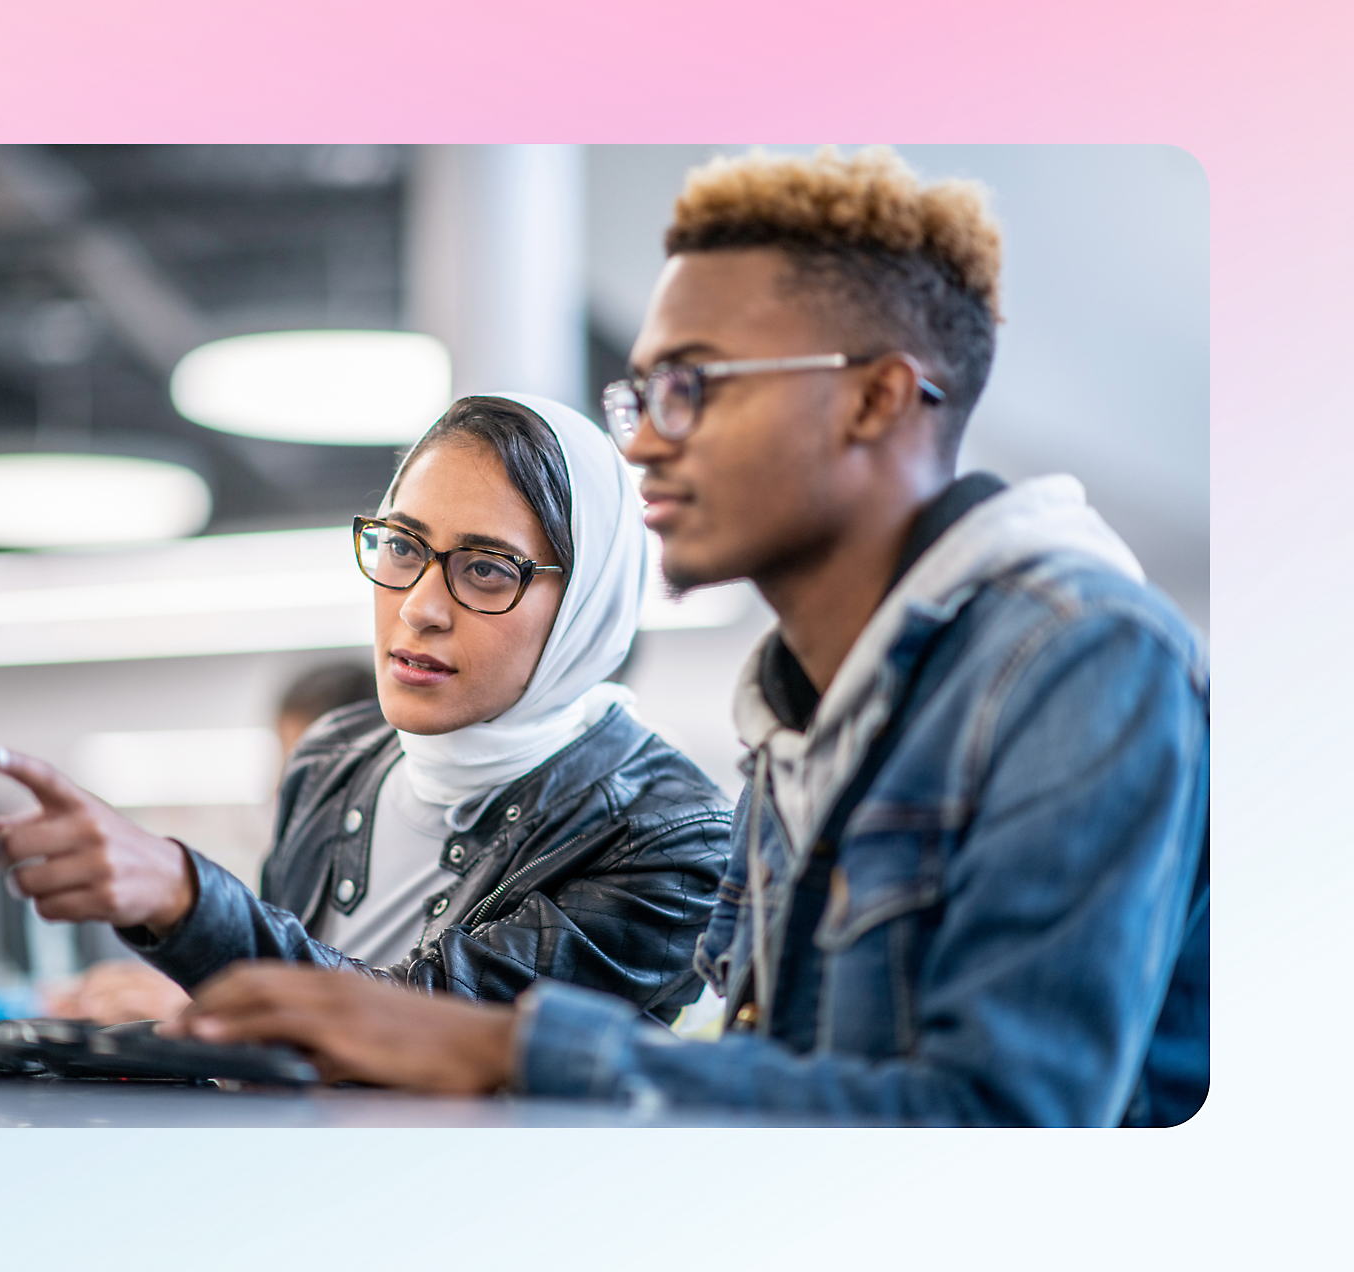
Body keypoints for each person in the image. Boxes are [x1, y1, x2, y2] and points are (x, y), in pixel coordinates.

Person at [157, 147, 1210, 1128]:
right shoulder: (802, 714)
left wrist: (509, 1050)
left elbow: (1003, 1122)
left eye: (692, 386)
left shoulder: (1078, 661)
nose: (648, 441)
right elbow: (799, 1085)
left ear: (876, 398)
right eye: (642, 390)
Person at [0, 394, 732, 1020]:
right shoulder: (336, 755)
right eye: (401, 546)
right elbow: (279, 1046)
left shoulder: (674, 839)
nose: (421, 607)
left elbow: (434, 1030)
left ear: (586, 605)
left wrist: (188, 900)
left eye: (487, 569)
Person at [41, 659, 379, 1025]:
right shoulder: (296, 872)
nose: (281, 788)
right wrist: (192, 985)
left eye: (311, 775)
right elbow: (287, 972)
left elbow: (366, 1014)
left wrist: (204, 1005)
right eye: (288, 769)